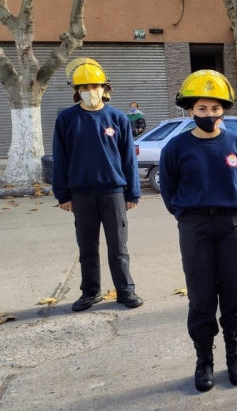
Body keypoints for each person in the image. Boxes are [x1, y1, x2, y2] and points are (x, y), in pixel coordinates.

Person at [158, 70, 237, 392]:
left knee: (235, 292)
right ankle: (204, 359)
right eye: (202, 109)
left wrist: (230, 210)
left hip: (232, 225)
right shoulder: (176, 147)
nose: (209, 116)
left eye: (215, 109)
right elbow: (169, 189)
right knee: (200, 296)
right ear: (190, 110)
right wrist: (187, 216)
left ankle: (234, 353)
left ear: (223, 109)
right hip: (195, 226)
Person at [52, 58, 143, 312]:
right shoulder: (67, 119)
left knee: (118, 246)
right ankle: (90, 292)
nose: (90, 91)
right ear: (76, 91)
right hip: (81, 193)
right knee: (87, 247)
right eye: (84, 87)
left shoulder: (118, 119)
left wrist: (132, 192)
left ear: (106, 88)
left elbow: (128, 159)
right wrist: (62, 194)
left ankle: (125, 291)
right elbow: (61, 158)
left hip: (113, 192)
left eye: (95, 86)